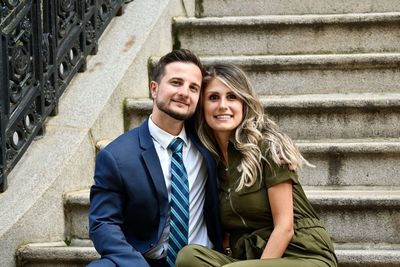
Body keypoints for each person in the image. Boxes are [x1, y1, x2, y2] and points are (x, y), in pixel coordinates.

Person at [176, 63, 338, 267]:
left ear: (244, 103)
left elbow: (284, 227)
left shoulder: (267, 146)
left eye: (232, 97)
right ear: (202, 106)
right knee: (189, 257)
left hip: (301, 253)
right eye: (213, 97)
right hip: (250, 258)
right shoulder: (210, 161)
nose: (222, 106)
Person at [88, 49, 222, 267]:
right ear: (154, 88)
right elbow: (103, 223)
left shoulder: (209, 142)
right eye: (176, 83)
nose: (185, 93)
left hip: (200, 260)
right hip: (146, 260)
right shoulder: (117, 156)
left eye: (193, 88)